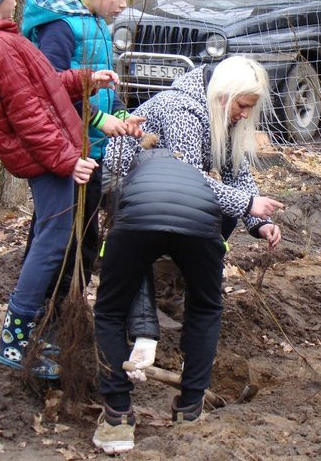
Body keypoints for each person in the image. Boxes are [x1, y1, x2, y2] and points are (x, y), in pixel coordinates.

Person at [0, 0, 119, 378]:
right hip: (49, 159)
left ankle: (28, 334)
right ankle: (16, 338)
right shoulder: (1, 46)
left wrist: (85, 79)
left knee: (52, 237)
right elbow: (29, 116)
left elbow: (43, 84)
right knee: (52, 241)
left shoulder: (4, 39)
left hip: (52, 155)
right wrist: (66, 160)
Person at [104, 55, 284, 382]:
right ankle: (146, 314)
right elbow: (189, 181)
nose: (245, 115)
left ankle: (171, 279)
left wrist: (259, 221)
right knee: (189, 217)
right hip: (126, 189)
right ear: (223, 96)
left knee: (226, 209)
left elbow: (237, 175)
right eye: (242, 106)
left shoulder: (224, 117)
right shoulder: (182, 111)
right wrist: (247, 203)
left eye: (249, 109)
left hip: (169, 192)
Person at [21, 0, 144, 304]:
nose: (123, 4)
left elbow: (102, 87)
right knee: (63, 236)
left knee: (87, 234)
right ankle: (49, 309)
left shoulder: (98, 26)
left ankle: (69, 304)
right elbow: (50, 90)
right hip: (66, 152)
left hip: (91, 149)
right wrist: (96, 119)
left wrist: (119, 115)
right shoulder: (62, 26)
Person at [91, 145, 226, 454]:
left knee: (110, 310)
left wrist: (141, 329)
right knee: (206, 307)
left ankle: (117, 418)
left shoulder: (129, 179)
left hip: (139, 220)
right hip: (200, 222)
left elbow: (133, 271)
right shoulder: (195, 175)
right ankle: (191, 408)